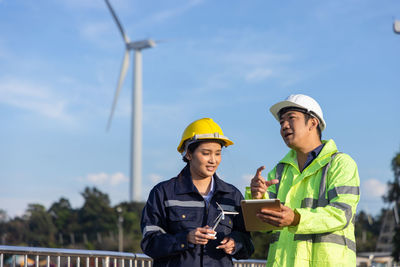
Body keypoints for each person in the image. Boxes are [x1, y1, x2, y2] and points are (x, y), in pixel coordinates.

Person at [246, 94, 360, 267]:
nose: (284, 125)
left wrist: (296, 218)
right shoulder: (280, 170)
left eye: (291, 118)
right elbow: (264, 225)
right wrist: (258, 196)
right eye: (281, 121)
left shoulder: (340, 164)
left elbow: (341, 214)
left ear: (313, 123)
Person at [141, 118, 254, 266]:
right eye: (206, 153)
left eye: (218, 153)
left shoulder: (232, 195)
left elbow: (248, 244)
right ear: (188, 154)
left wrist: (235, 244)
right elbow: (150, 242)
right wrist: (185, 239)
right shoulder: (163, 193)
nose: (213, 160)